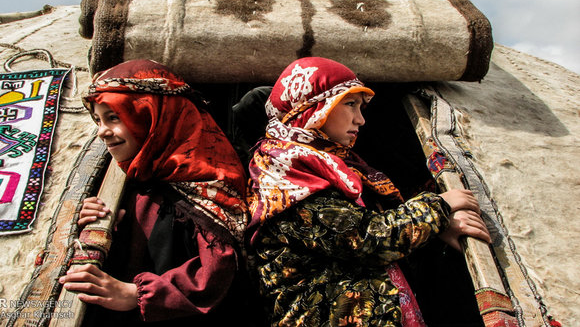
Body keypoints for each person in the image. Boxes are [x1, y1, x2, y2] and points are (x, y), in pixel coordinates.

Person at [246, 57, 491, 326]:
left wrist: (436, 229)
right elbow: (364, 238)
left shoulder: (334, 165)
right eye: (350, 104)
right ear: (314, 107)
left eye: (361, 107)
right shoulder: (284, 172)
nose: (360, 119)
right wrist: (438, 207)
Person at [58, 59, 251, 326]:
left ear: (153, 116)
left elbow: (221, 270)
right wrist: (103, 227)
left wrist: (137, 293)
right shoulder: (129, 185)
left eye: (114, 117)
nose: (102, 132)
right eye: (98, 120)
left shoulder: (210, 183)